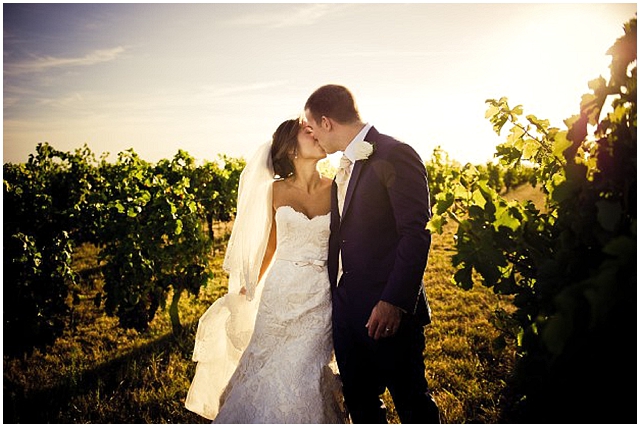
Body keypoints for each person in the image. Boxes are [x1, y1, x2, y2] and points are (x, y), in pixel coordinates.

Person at [185, 118, 348, 423]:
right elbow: (271, 245)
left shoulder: (337, 187)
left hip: (320, 296)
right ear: (291, 149)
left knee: (305, 368)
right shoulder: (274, 191)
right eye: (307, 131)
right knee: (268, 362)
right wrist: (250, 285)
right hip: (280, 293)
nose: (316, 134)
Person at [304, 84, 441, 423]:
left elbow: (415, 233)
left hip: (387, 312)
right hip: (347, 312)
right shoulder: (342, 167)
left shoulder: (396, 153)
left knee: (412, 404)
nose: (313, 137)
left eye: (312, 127)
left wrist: (393, 301)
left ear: (326, 122)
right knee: (362, 406)